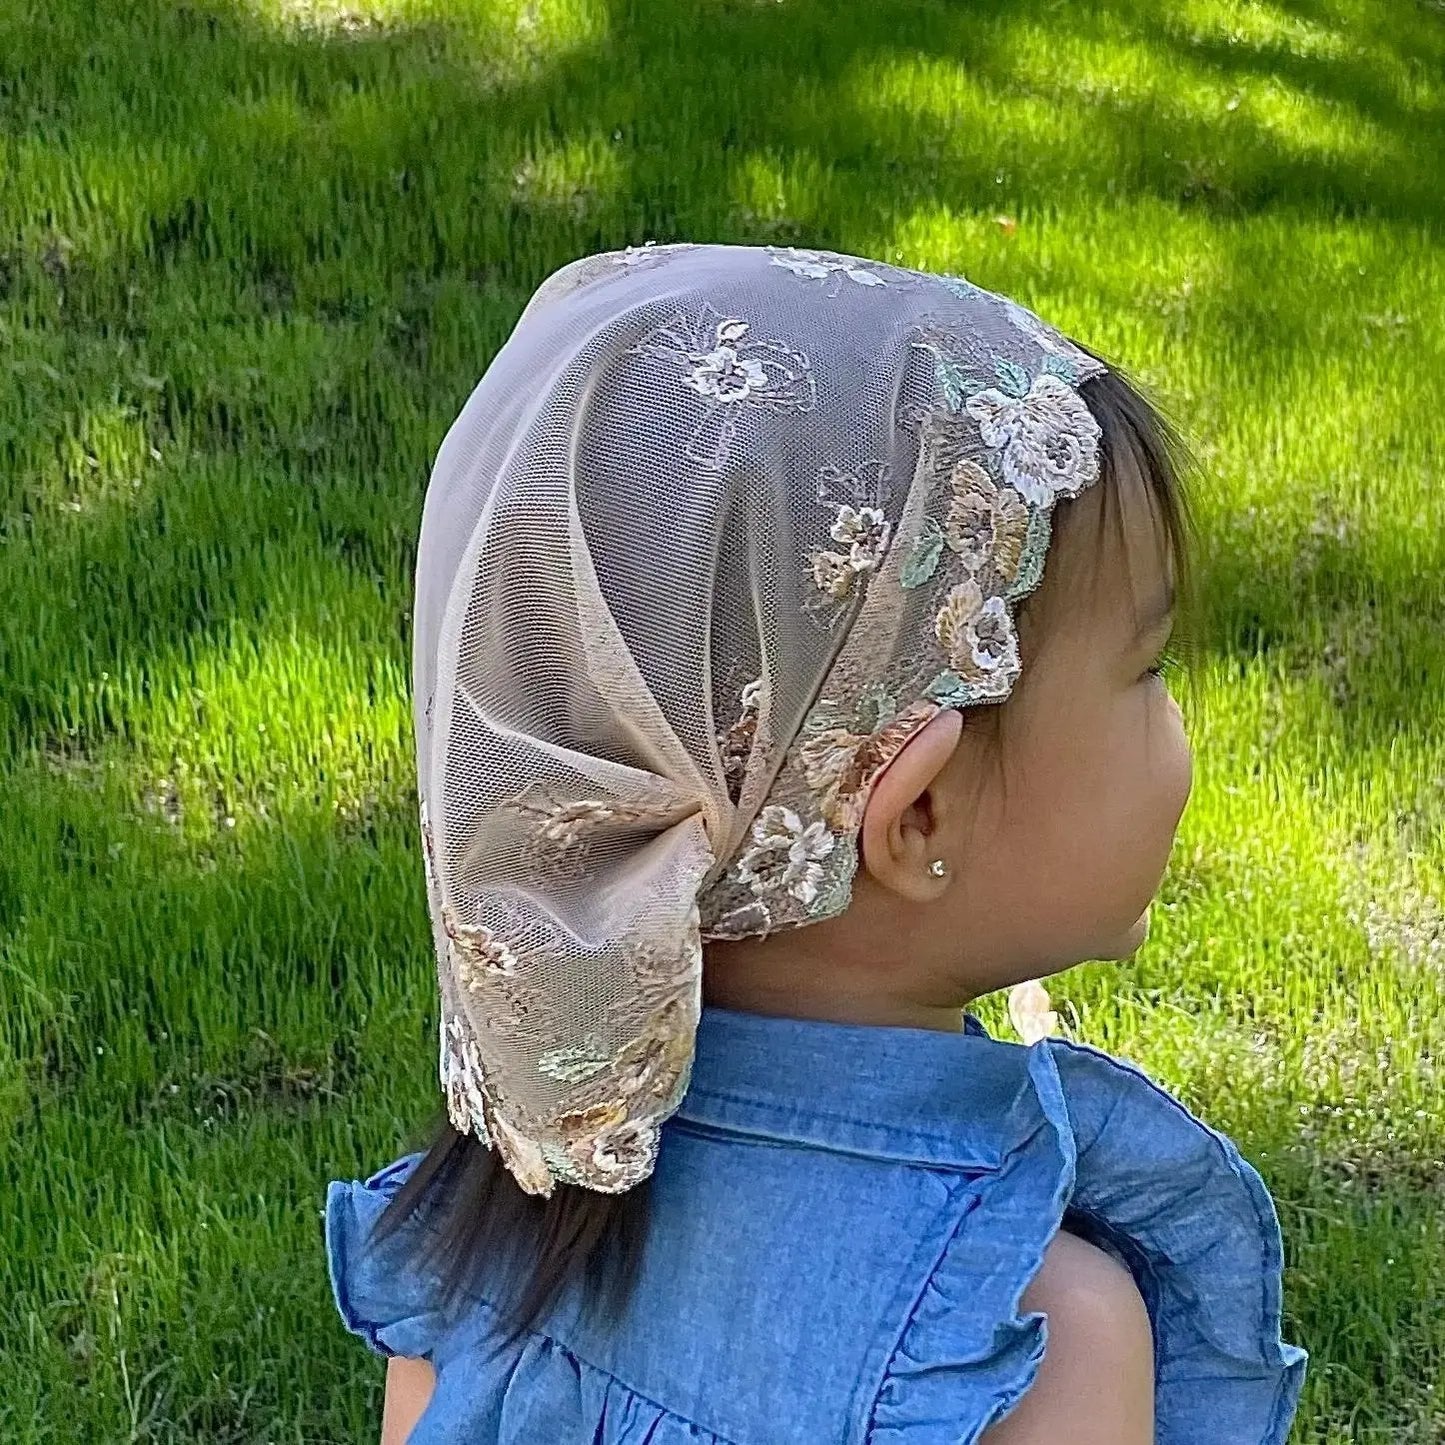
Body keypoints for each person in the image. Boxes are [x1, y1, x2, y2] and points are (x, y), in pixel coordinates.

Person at [322, 241, 1308, 1443]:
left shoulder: (488, 1223)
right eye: (1144, 669)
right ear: (916, 815)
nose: (1172, 720)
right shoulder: (1028, 1345)